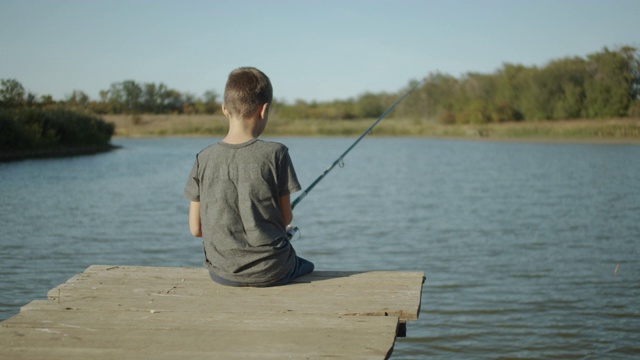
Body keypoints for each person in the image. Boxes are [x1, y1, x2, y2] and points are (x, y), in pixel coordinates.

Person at [184, 67, 314, 287]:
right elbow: (286, 218)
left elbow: (196, 229)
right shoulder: (276, 153)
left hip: (222, 273)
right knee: (308, 267)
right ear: (264, 110)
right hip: (273, 270)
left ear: (225, 110)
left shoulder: (202, 158)